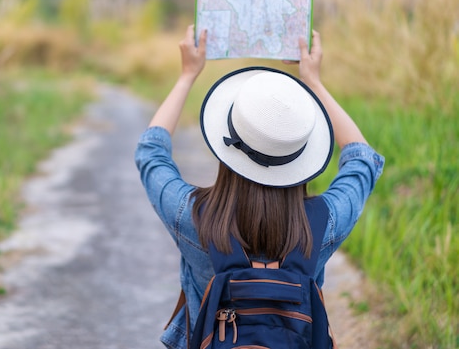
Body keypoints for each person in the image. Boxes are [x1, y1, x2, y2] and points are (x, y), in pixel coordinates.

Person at [134, 25, 385, 349]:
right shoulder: (324, 223)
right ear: (301, 157)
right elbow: (362, 159)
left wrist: (187, 76)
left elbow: (150, 152)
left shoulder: (191, 216)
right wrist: (314, 82)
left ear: (228, 146)